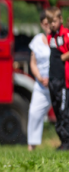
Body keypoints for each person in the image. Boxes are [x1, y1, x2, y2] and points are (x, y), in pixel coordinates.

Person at [28, 11, 51, 151]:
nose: (48, 26)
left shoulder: (61, 38)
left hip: (58, 83)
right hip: (41, 85)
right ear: (42, 24)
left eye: (50, 22)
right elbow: (33, 63)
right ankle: (31, 146)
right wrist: (40, 77)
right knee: (34, 113)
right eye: (45, 23)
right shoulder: (37, 40)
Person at [47, 7, 69, 150]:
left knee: (63, 111)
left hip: (63, 80)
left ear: (60, 20)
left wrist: (62, 57)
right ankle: (63, 141)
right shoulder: (51, 37)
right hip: (52, 78)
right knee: (56, 110)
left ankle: (67, 142)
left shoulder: (65, 34)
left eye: (54, 21)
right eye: (49, 22)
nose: (52, 24)